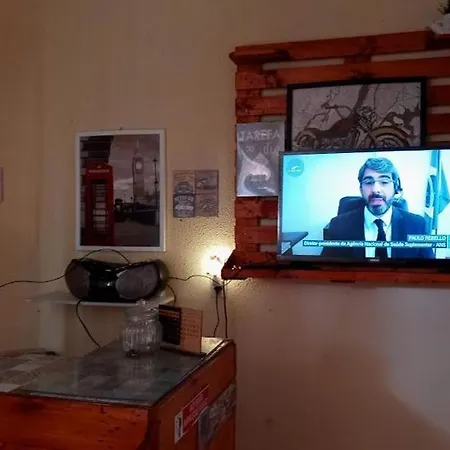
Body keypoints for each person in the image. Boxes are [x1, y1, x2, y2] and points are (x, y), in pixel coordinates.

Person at [321, 157, 434, 259]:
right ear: (361, 189)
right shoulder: (339, 225)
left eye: (384, 181)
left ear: (395, 188)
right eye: (368, 182)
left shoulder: (418, 225)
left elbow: (429, 269)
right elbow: (328, 268)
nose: (376, 189)